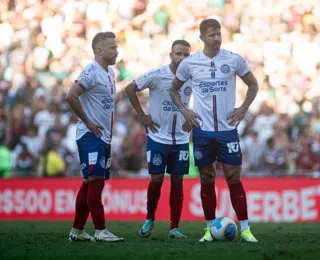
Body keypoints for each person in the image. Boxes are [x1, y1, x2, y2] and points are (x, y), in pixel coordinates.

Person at [169, 19, 259, 242]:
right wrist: (184, 110)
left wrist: (244, 108)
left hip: (228, 130)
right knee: (207, 178)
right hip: (202, 131)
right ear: (202, 38)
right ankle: (210, 229)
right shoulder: (190, 64)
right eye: (212, 35)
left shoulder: (233, 59)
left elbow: (253, 84)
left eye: (219, 34)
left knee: (233, 177)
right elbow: (173, 90)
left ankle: (246, 229)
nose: (217, 38)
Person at [125, 40, 192, 239]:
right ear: (171, 55)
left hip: (180, 139)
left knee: (178, 181)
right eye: (178, 54)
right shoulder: (157, 75)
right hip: (157, 137)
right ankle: (150, 218)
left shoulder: (192, 77)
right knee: (156, 179)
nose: (181, 58)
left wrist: (193, 118)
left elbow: (203, 99)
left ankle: (174, 227)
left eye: (186, 55)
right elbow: (130, 88)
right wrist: (142, 115)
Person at [65, 31, 123, 242]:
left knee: (89, 182)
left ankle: (77, 231)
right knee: (95, 180)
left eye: (116, 47)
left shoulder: (109, 73)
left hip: (103, 137)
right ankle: (100, 230)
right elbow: (70, 95)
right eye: (113, 48)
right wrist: (88, 122)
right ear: (99, 50)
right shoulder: (91, 71)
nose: (117, 51)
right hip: (90, 136)